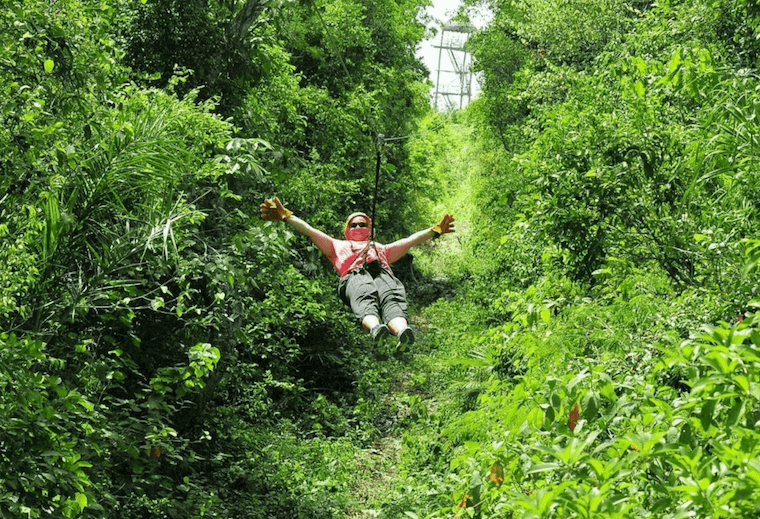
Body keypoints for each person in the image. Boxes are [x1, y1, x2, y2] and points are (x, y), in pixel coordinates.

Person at [260, 197, 455, 347]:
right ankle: (375, 327)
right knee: (364, 294)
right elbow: (309, 230)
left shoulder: (381, 248)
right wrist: (287, 216)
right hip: (355, 275)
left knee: (392, 297)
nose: (359, 227)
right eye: (354, 225)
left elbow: (410, 240)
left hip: (382, 273)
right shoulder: (337, 246)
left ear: (369, 230)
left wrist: (434, 230)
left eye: (363, 224)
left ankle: (402, 331)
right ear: (347, 230)